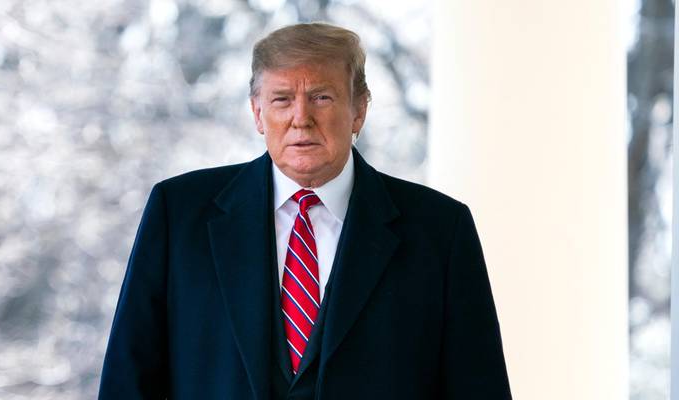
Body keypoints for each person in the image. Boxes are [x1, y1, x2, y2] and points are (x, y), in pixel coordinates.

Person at [98, 23, 511, 399]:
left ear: (359, 110)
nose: (301, 118)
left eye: (321, 97)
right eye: (282, 99)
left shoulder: (441, 231)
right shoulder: (178, 214)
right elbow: (127, 383)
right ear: (258, 113)